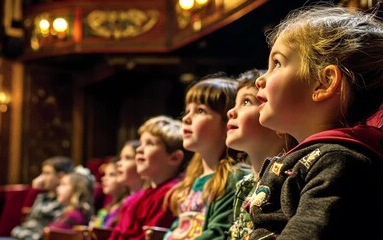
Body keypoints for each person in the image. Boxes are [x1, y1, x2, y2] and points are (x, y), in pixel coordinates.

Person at [249, 5, 383, 239]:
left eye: (277, 63)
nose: (261, 79)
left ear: (324, 83)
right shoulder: (313, 158)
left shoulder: (338, 162)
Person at [163, 74, 251, 240]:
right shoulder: (193, 179)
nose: (186, 118)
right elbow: (179, 227)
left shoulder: (235, 178)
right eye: (187, 111)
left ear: (228, 122)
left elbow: (219, 233)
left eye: (200, 111)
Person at [225, 69, 297, 239]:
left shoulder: (288, 180)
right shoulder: (245, 184)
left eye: (247, 102)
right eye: (236, 103)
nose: (231, 112)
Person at [109, 115, 192, 240]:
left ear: (174, 158)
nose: (139, 150)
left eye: (150, 143)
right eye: (141, 143)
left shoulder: (171, 195)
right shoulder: (139, 198)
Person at [10, 156, 75, 240]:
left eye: (47, 173)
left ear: (60, 177)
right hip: (23, 235)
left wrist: (35, 191)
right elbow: (27, 221)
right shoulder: (43, 196)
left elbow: (45, 233)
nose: (42, 178)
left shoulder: (64, 201)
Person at [44, 166, 95, 231]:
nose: (57, 189)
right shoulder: (69, 211)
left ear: (76, 190)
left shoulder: (74, 215)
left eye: (63, 184)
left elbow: (51, 233)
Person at [92, 157, 129, 228]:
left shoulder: (125, 206)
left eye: (111, 175)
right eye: (105, 175)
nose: (104, 179)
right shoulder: (108, 207)